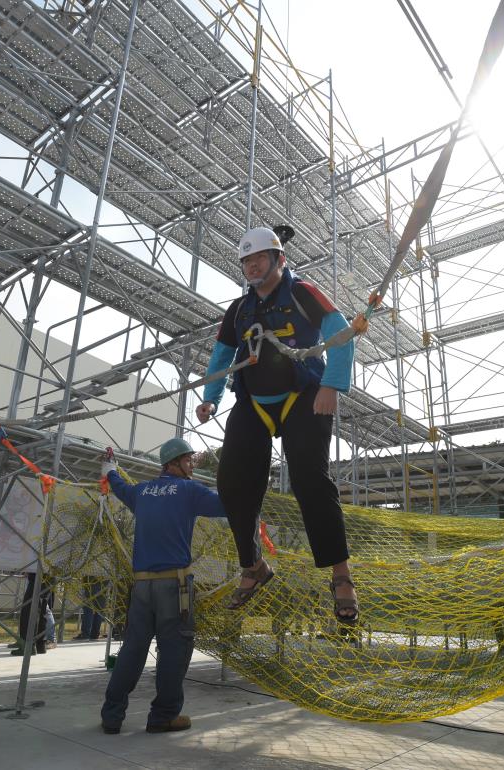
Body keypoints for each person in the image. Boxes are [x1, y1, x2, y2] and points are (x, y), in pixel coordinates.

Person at [195, 226, 359, 623]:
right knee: (232, 482)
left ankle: (341, 576)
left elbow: (341, 334)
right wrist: (210, 397)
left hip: (304, 395)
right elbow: (222, 356)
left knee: (310, 479)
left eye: (260, 259)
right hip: (254, 400)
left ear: (279, 260)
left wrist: (332, 386)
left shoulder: (304, 292)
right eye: (247, 262)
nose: (252, 267)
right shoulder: (238, 309)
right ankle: (253, 566)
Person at [99, 437, 228, 734]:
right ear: (173, 463)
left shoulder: (142, 492)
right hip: (175, 587)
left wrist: (110, 470)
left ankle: (112, 715)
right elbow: (226, 504)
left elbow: (120, 488)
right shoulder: (189, 491)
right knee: (174, 650)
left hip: (142, 587)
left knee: (133, 649)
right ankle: (163, 716)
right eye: (187, 460)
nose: (191, 466)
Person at [73, 576, 107, 640]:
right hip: (105, 579)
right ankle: (94, 634)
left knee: (88, 608)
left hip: (92, 579)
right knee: (99, 609)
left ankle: (85, 634)